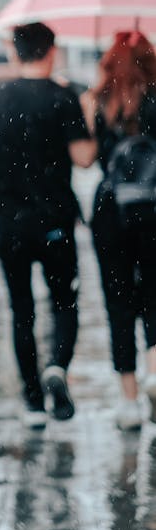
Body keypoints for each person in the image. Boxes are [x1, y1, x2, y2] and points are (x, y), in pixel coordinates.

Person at [0, 22, 96, 427]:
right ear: (52, 51)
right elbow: (84, 157)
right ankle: (57, 368)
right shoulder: (63, 97)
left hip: (8, 223)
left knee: (21, 310)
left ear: (15, 52)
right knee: (64, 302)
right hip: (55, 221)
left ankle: (31, 400)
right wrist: (88, 116)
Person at [81, 30, 156, 429]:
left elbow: (88, 159)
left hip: (110, 210)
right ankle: (155, 372)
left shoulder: (99, 101)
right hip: (154, 206)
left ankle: (128, 402)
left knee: (118, 300)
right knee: (154, 293)